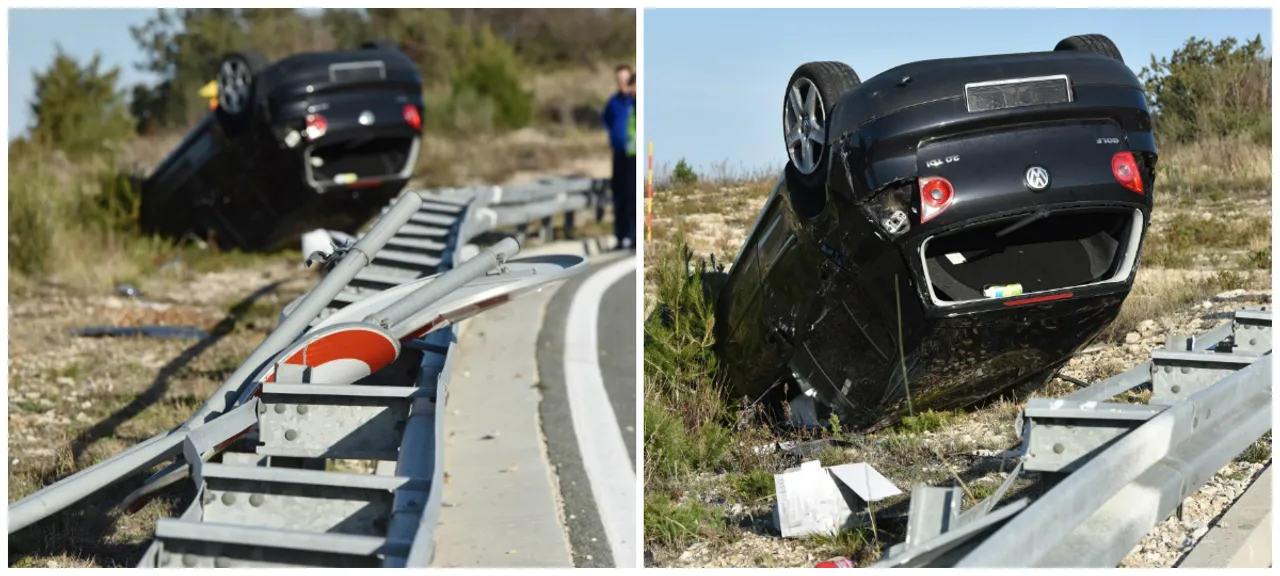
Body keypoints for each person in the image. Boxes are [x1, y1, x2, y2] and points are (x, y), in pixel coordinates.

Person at [602, 64, 637, 250]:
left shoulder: (635, 102)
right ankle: (621, 235)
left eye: (627, 80)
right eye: (620, 80)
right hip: (619, 153)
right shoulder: (614, 102)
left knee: (632, 195)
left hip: (634, 155)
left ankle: (633, 235)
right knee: (620, 195)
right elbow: (606, 118)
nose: (624, 84)